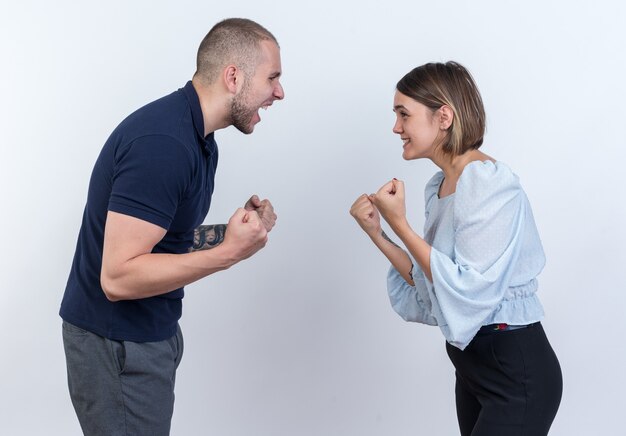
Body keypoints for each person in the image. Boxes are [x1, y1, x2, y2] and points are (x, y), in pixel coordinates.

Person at [59, 18, 284, 435]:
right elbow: (118, 277)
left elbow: (164, 241)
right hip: (117, 346)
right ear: (233, 76)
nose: (279, 92)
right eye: (272, 77)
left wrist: (233, 235)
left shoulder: (199, 139)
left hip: (147, 337)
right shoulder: (164, 145)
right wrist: (228, 253)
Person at [350, 61, 562, 435]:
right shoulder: (442, 185)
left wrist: (401, 223)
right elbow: (431, 280)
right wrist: (378, 233)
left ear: (443, 116)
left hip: (514, 370)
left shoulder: (487, 183)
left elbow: (468, 289)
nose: (396, 127)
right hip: (472, 369)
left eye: (404, 114)